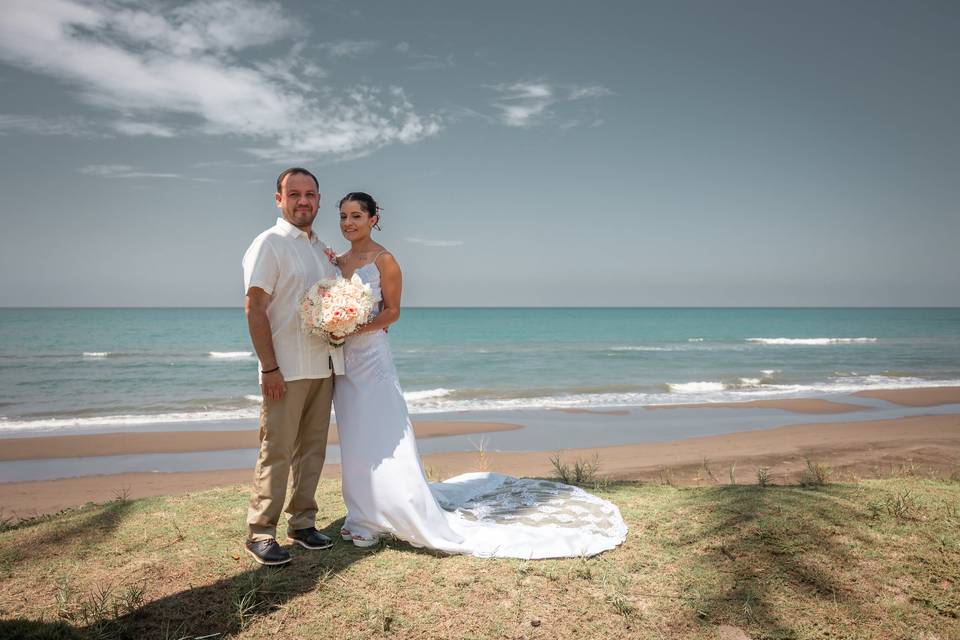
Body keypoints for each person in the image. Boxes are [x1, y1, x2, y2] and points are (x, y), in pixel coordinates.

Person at [332, 192, 627, 558]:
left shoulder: (385, 261)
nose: (348, 223)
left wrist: (355, 328)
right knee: (355, 435)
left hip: (372, 359)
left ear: (374, 218)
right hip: (343, 363)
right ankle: (362, 513)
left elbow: (392, 313)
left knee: (383, 432)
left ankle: (396, 511)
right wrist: (332, 323)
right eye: (343, 216)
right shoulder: (336, 261)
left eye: (357, 215)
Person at [241, 168, 340, 565]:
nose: (303, 201)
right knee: (276, 450)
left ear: (318, 199)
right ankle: (260, 532)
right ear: (279, 200)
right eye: (294, 194)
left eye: (310, 194)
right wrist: (269, 368)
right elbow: (255, 307)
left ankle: (302, 523)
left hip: (323, 365)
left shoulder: (322, 249)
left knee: (312, 450)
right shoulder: (270, 243)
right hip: (285, 368)